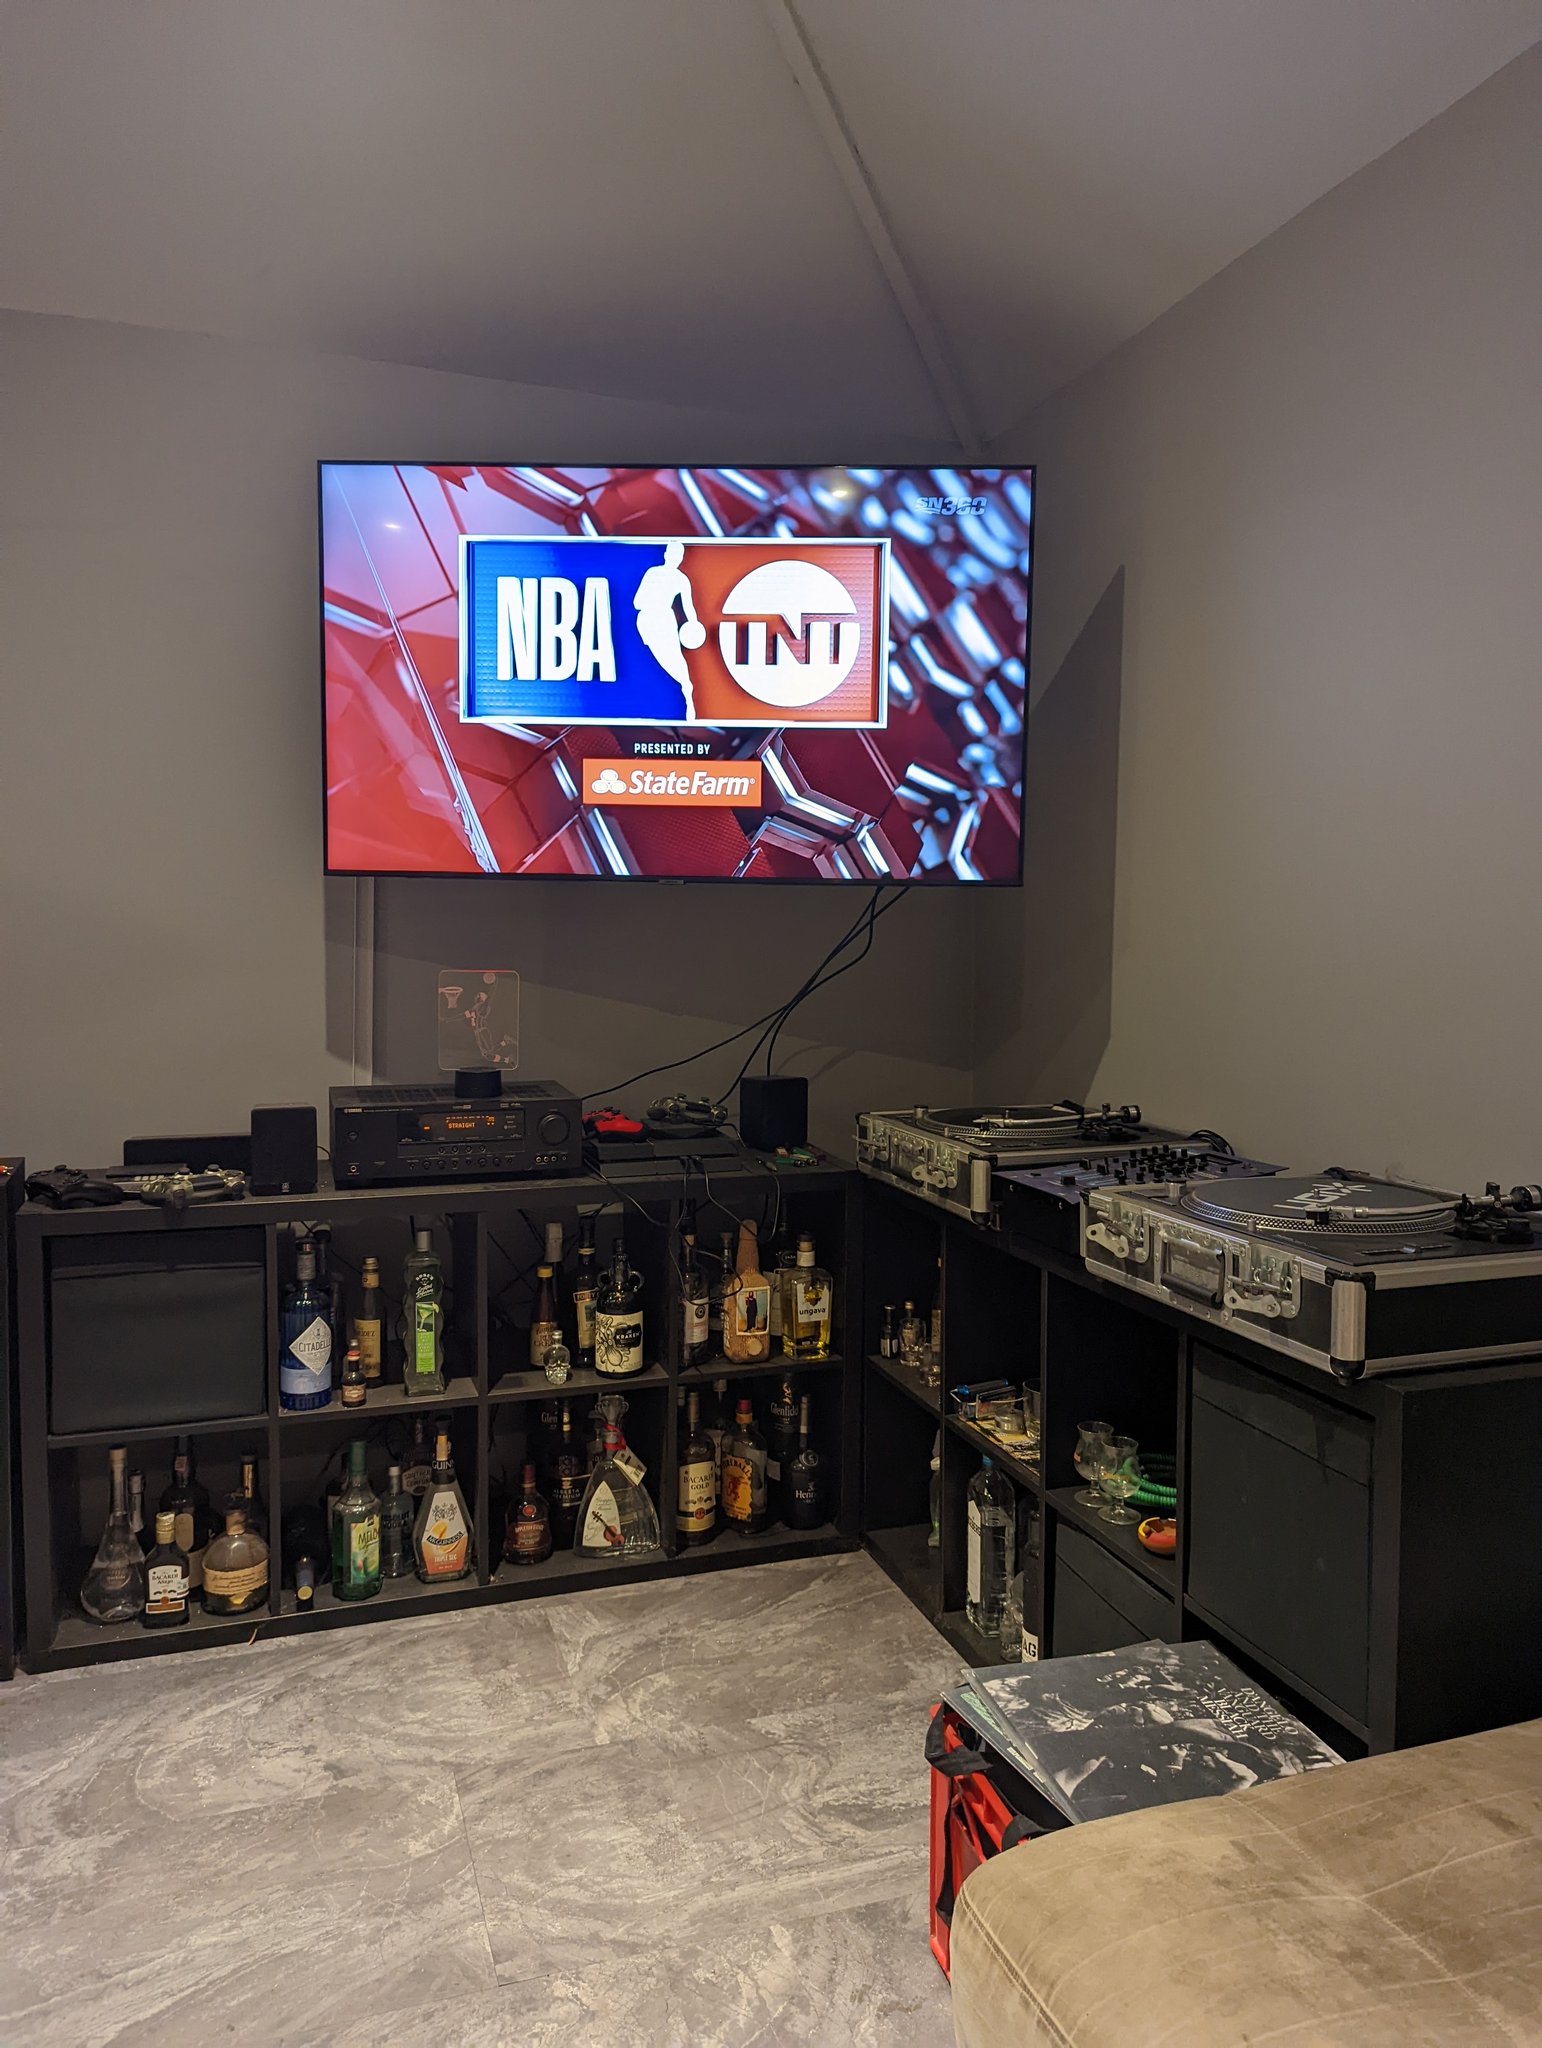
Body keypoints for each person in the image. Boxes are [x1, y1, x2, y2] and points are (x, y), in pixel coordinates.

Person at [633, 542, 705, 720]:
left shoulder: (681, 580)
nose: (675, 558)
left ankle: (688, 702)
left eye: (678, 555)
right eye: (672, 554)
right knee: (660, 662)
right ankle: (683, 695)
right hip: (649, 620)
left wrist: (694, 624)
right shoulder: (653, 573)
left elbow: (689, 608)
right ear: (666, 555)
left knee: (675, 663)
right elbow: (637, 602)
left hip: (665, 620)